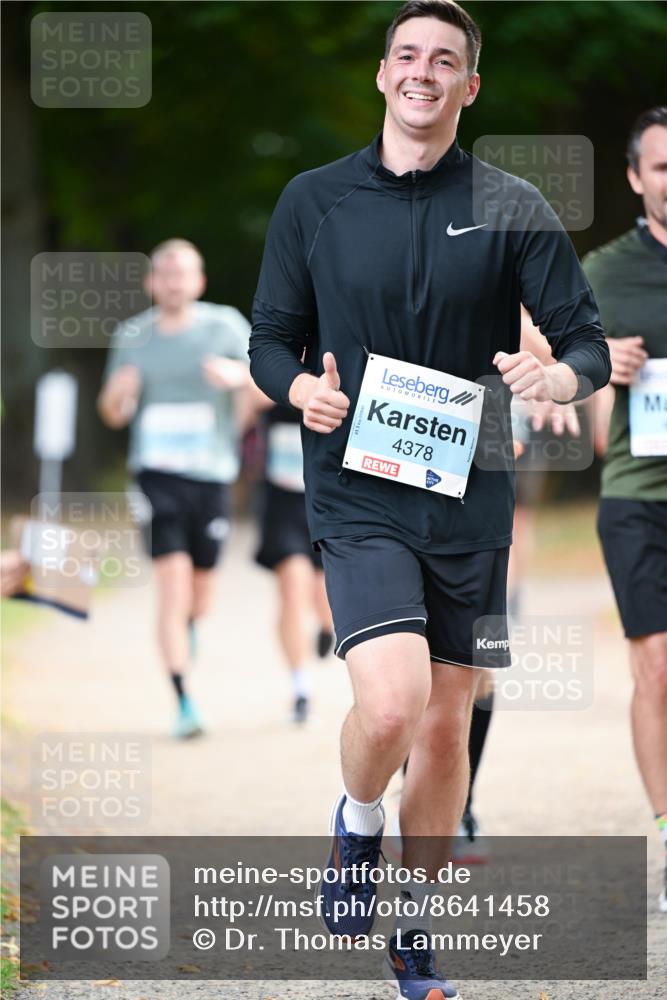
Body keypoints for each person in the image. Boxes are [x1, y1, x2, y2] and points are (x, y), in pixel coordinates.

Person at [249, 2, 610, 995]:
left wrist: (557, 381)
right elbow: (269, 341)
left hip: (471, 495)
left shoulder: (511, 205)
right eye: (406, 55)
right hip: (358, 490)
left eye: (443, 59)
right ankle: (355, 819)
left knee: (449, 723)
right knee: (393, 704)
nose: (422, 72)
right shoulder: (312, 200)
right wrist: (299, 390)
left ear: (469, 85)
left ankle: (415, 934)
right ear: (381, 74)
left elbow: (581, 340)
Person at [98, 239, 251, 738]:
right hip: (155, 474)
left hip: (209, 475)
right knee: (172, 585)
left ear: (198, 282)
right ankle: (183, 699)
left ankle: (186, 629)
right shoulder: (133, 335)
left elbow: (270, 383)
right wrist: (119, 398)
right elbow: (112, 412)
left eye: (181, 273)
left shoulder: (224, 325)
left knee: (199, 596)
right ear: (151, 283)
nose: (172, 282)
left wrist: (238, 377)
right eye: (163, 274)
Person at [583, 106, 667, 913]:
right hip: (637, 497)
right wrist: (597, 369)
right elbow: (550, 367)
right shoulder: (602, 272)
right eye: (663, 166)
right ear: (637, 178)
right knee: (656, 667)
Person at [246, 390, 334, 723]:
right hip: (281, 501)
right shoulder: (276, 356)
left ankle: (328, 627)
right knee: (292, 590)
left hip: (326, 503)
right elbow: (251, 399)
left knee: (326, 600)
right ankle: (301, 689)